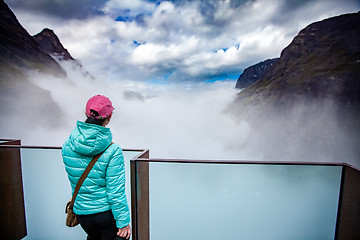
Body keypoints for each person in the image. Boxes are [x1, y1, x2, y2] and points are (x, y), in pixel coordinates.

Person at [62, 94, 131, 240]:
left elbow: (74, 178)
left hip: (82, 214)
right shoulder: (113, 150)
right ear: (109, 116)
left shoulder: (68, 144)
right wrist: (124, 222)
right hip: (105, 215)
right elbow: (116, 191)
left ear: (86, 114)